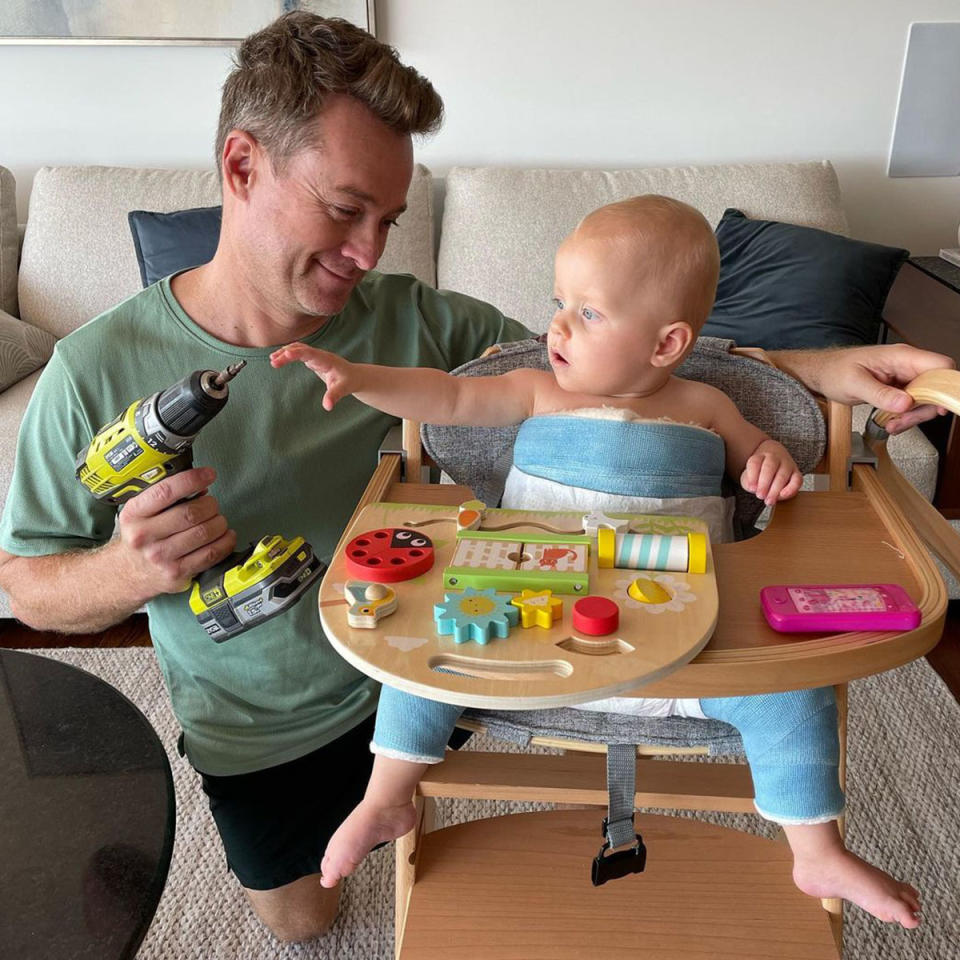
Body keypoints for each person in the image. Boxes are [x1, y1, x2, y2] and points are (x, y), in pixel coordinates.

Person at [0, 11, 949, 944]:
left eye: (388, 219)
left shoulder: (419, 323)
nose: (370, 253)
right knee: (299, 921)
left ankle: (412, 775)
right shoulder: (94, 372)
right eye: (343, 209)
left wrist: (821, 372)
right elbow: (25, 586)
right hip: (268, 720)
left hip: (448, 650)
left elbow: (614, 368)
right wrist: (126, 573)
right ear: (243, 166)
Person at [271, 195, 923, 929]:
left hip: (683, 657)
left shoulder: (707, 406)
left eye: (588, 313)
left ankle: (814, 847)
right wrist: (362, 378)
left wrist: (769, 464)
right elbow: (445, 397)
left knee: (794, 689)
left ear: (667, 343)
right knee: (421, 657)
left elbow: (763, 460)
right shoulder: (536, 391)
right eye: (559, 303)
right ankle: (387, 794)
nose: (555, 326)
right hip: (525, 639)